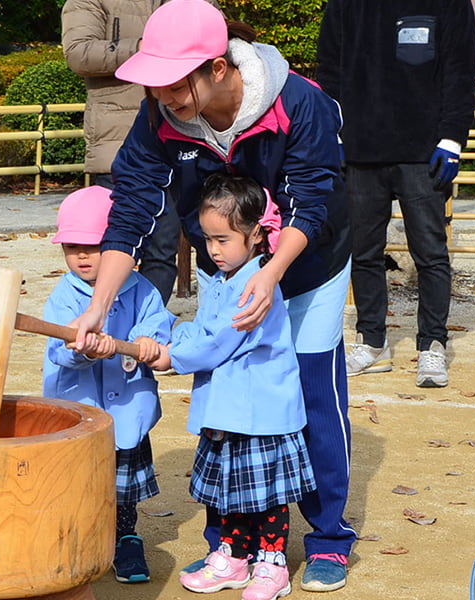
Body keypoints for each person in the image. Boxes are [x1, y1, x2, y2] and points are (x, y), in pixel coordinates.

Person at [69, 0, 356, 592]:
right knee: (224, 394)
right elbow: (131, 210)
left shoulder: (297, 101)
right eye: (155, 87)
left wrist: (272, 271)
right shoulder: (160, 120)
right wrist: (96, 306)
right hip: (227, 272)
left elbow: (313, 195)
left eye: (174, 85)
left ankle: (327, 536)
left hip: (306, 266)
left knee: (310, 396)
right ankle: (228, 547)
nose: (163, 99)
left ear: (218, 69)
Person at [148, 173, 313, 600]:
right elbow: (203, 329)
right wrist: (166, 337)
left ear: (256, 234)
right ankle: (234, 556)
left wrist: (170, 357)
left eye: (223, 239)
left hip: (259, 413)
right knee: (230, 490)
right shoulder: (222, 281)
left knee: (267, 495)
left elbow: (219, 342)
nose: (213, 250)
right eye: (207, 239)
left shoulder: (256, 286)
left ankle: (271, 564)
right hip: (228, 410)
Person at [316, 0, 475, 388]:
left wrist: (453, 138)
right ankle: (372, 342)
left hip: (423, 152)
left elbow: (460, 71)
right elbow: (330, 70)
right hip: (360, 149)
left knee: (431, 254)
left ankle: (432, 345)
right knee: (363, 252)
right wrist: (333, 132)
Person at [41, 185, 176, 583]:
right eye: (72, 246)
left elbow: (155, 330)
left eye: (94, 245)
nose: (82, 256)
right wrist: (80, 350)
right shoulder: (64, 296)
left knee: (122, 490)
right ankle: (75, 542)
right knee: (76, 486)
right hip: (77, 414)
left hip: (125, 413)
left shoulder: (143, 290)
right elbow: (59, 351)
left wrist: (140, 346)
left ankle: (125, 539)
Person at [61, 0, 197, 303]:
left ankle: (147, 328)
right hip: (116, 138)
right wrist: (149, 48)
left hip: (183, 135)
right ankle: (106, 322)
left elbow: (216, 37)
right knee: (109, 246)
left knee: (163, 249)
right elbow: (79, 53)